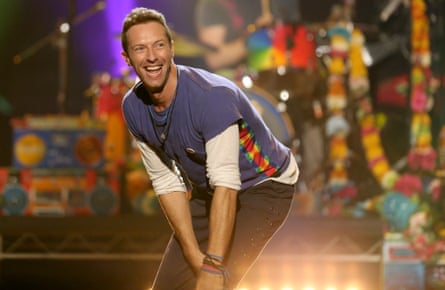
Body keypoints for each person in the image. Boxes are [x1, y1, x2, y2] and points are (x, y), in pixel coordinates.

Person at [120, 7, 299, 290]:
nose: (152, 56)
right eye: (140, 48)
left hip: (265, 186)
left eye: (159, 45)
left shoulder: (211, 98)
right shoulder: (133, 107)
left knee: (215, 283)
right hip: (209, 190)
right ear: (127, 58)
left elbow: (227, 182)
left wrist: (212, 265)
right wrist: (193, 255)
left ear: (172, 49)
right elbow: (167, 181)